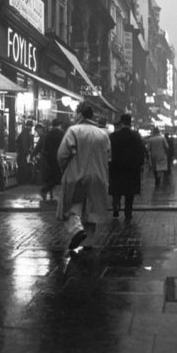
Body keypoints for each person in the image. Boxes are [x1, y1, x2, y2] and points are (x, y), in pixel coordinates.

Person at [56, 102, 111, 251]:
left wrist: (65, 169)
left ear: (80, 115)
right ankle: (88, 245)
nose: (73, 117)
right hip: (99, 177)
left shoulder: (73, 131)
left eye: (74, 114)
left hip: (77, 175)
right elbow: (108, 157)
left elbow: (62, 155)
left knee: (71, 207)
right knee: (92, 212)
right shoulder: (103, 134)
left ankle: (76, 231)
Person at [109, 113, 145, 220]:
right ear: (130, 122)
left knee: (116, 190)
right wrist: (140, 164)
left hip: (116, 168)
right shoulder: (136, 136)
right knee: (130, 193)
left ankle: (116, 207)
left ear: (121, 122)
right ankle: (128, 213)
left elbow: (109, 153)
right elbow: (140, 152)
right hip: (131, 169)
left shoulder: (113, 136)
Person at [39, 118, 64, 201]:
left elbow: (44, 148)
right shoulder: (62, 134)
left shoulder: (48, 134)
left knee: (52, 177)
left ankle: (48, 192)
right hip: (59, 158)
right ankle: (49, 193)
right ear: (60, 125)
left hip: (49, 159)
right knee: (57, 178)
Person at [16, 120, 34, 184]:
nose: (31, 128)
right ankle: (22, 181)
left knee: (23, 166)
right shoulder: (25, 133)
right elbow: (24, 143)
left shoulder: (25, 132)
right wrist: (27, 152)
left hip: (22, 152)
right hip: (23, 153)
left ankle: (22, 180)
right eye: (31, 126)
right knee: (23, 166)